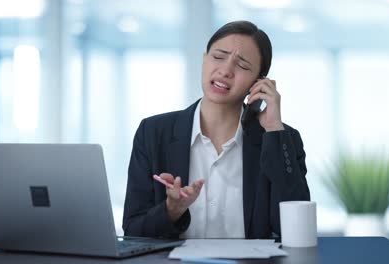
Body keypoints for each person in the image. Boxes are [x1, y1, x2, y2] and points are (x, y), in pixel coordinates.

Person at [122, 21, 310, 239]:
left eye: (242, 65)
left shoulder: (281, 139)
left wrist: (274, 130)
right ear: (204, 60)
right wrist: (172, 211)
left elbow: (297, 230)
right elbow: (132, 230)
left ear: (258, 83)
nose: (225, 70)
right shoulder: (153, 133)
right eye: (218, 57)